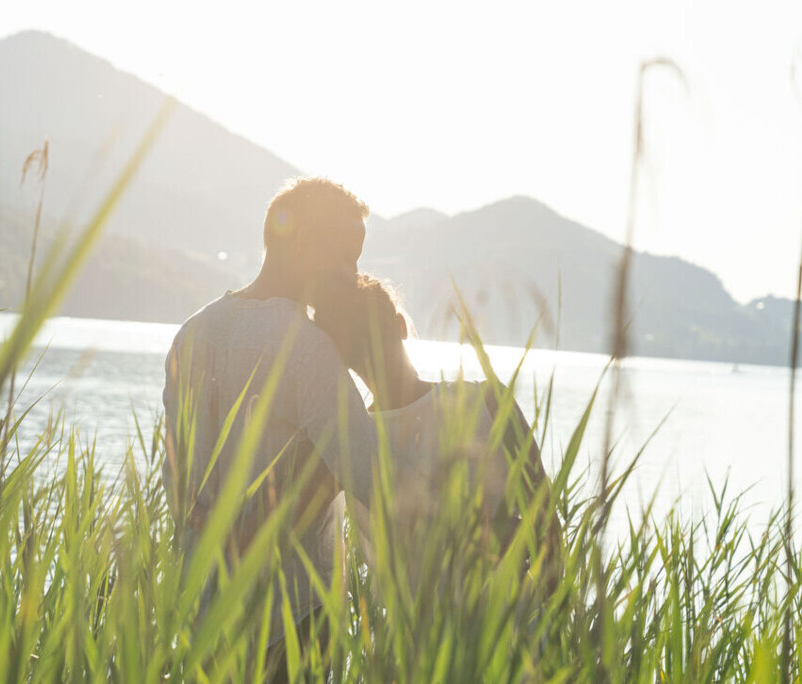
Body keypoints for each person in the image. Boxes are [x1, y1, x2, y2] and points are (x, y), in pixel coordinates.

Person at [162, 177, 392, 679]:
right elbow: (371, 476)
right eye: (349, 255)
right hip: (291, 617)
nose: (354, 273)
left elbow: (175, 480)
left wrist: (220, 536)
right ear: (307, 244)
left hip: (203, 609)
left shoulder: (190, 333)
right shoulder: (307, 347)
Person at [312, 274, 562, 595]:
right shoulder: (488, 402)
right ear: (401, 325)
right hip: (511, 626)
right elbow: (549, 535)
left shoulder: (345, 441)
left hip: (421, 639)